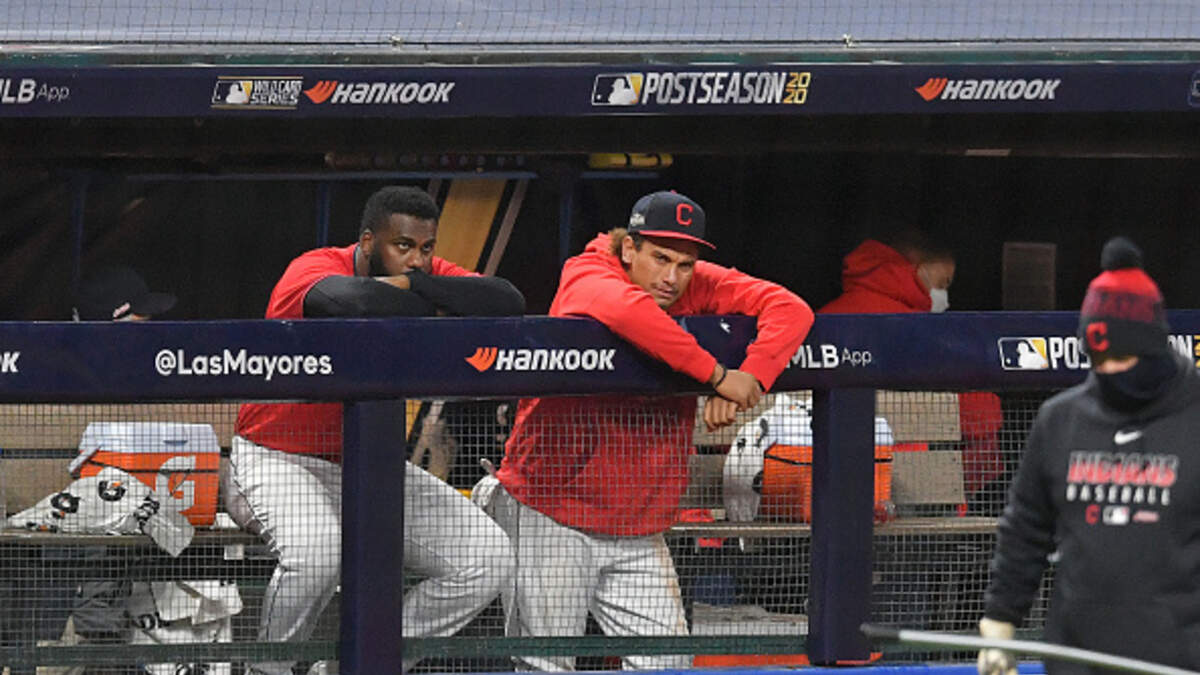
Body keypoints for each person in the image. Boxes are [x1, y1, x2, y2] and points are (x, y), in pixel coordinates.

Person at [480, 190, 813, 670]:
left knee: (667, 665)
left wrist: (752, 378)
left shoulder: (691, 283)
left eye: (684, 264)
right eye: (660, 258)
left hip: (637, 526)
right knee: (545, 666)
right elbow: (625, 311)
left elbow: (790, 307)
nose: (672, 277)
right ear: (628, 248)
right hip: (550, 514)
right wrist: (717, 375)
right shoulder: (588, 272)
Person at [226, 185, 525, 675]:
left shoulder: (423, 273)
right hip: (276, 457)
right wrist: (431, 297)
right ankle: (268, 671)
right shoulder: (315, 266)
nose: (417, 260)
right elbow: (349, 301)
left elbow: (507, 299)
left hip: (367, 465)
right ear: (368, 242)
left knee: (486, 557)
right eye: (402, 246)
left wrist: (412, 285)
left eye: (426, 248)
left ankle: (363, 668)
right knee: (317, 556)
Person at [978, 237, 1200, 674]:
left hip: (1177, 658)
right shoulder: (1060, 420)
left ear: (1154, 346)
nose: (1109, 370)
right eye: (1099, 358)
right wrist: (1000, 621)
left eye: (1122, 357)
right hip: (1075, 656)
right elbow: (1025, 529)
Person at [819, 235, 1004, 511]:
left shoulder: (826, 315)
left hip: (820, 471)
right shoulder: (916, 328)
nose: (945, 295)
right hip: (904, 481)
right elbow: (978, 415)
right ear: (917, 268)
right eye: (943, 283)